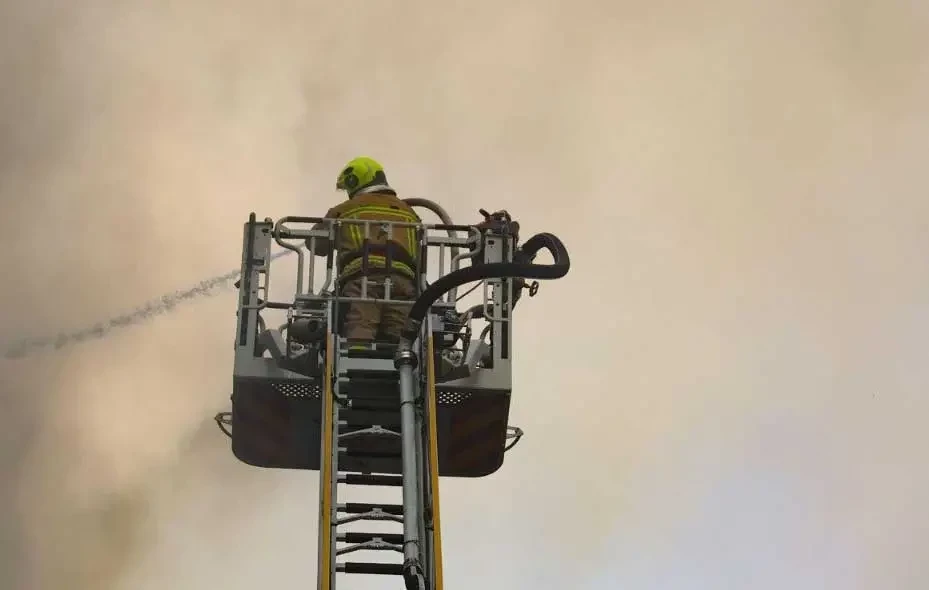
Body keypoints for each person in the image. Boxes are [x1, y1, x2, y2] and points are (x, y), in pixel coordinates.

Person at [307, 156, 421, 343]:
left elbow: (315, 244)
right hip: (404, 284)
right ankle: (400, 359)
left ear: (356, 181)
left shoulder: (345, 209)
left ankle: (359, 359)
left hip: (364, 280)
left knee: (361, 328)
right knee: (400, 338)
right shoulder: (408, 212)